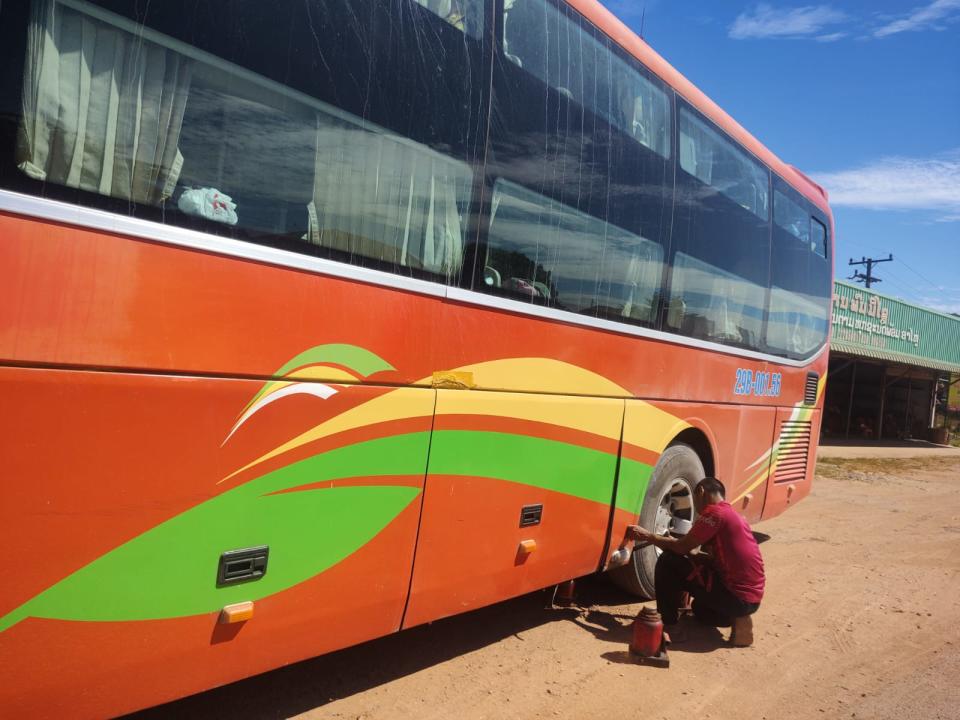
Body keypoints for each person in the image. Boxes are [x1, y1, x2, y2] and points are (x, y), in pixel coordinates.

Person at [626, 477, 765, 647]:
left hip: (735, 597)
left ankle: (670, 625)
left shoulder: (714, 514)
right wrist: (687, 552)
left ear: (701, 492)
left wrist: (649, 536)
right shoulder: (735, 516)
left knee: (669, 560)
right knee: (699, 609)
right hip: (750, 600)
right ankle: (738, 619)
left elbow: (681, 548)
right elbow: (707, 557)